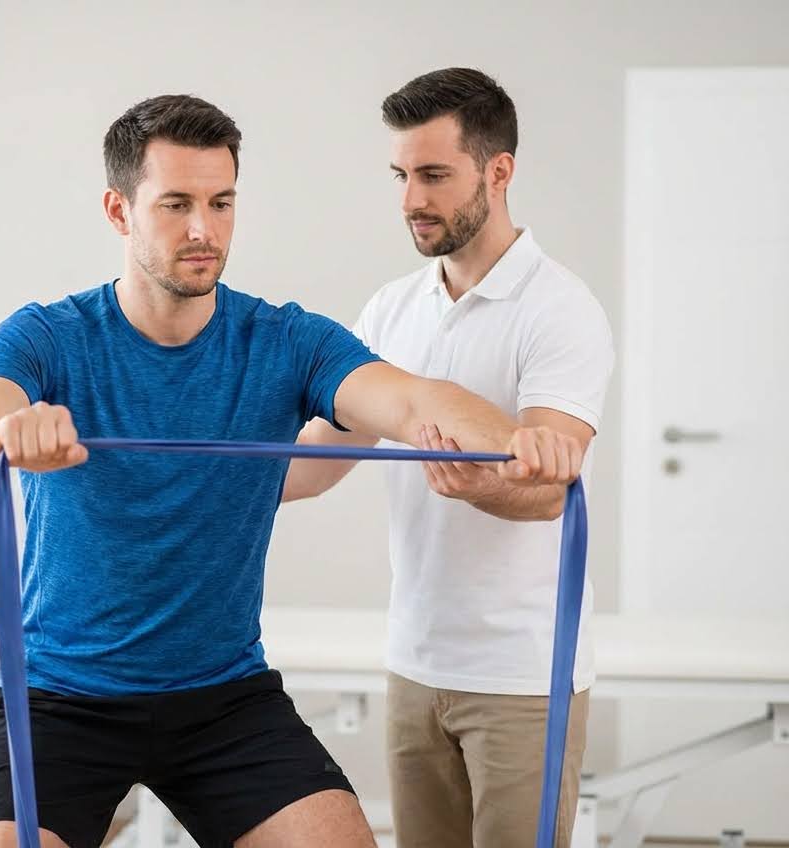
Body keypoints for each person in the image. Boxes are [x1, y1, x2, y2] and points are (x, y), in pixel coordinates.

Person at [0, 93, 585, 848]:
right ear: (119, 211)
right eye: (175, 204)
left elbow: (413, 401)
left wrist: (522, 442)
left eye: (221, 202)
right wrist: (0, 439)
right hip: (61, 700)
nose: (204, 229)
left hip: (223, 700)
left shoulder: (285, 342)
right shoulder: (50, 336)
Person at [283, 68, 615, 848]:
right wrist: (189, 478)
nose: (410, 200)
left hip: (523, 678)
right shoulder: (390, 309)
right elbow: (320, 461)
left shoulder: (562, 311)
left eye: (434, 175)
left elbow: (548, 489)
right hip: (414, 664)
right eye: (402, 175)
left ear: (498, 172)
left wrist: (486, 485)